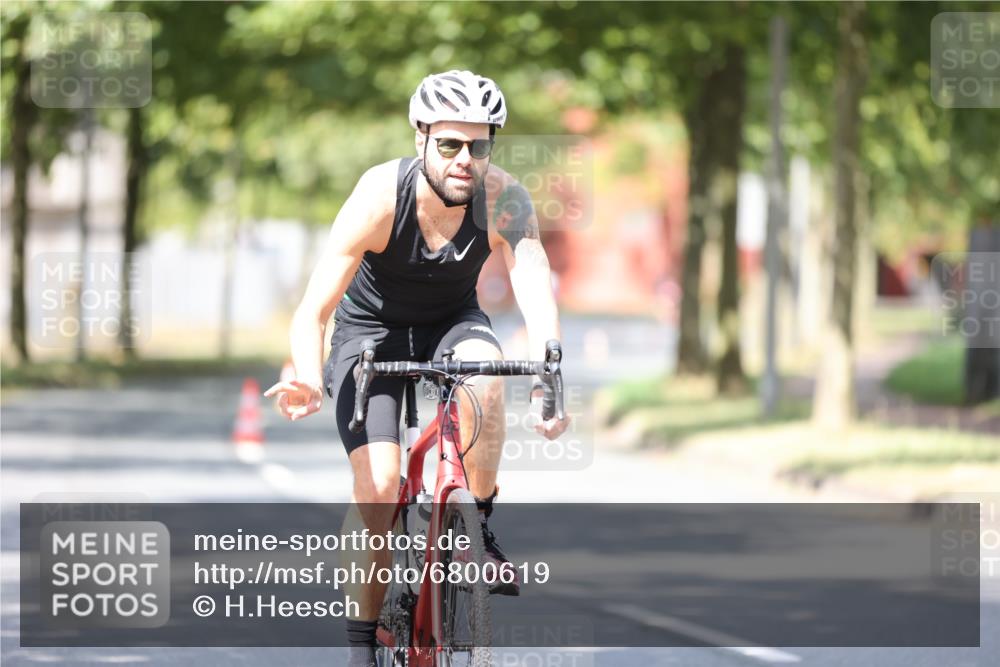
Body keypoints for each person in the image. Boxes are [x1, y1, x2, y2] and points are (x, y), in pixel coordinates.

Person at [264, 69, 570, 667]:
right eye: (450, 144)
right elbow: (313, 311)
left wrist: (549, 370)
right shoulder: (381, 197)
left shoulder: (503, 198)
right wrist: (305, 372)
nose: (464, 159)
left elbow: (532, 275)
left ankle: (475, 524)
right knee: (378, 488)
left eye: (478, 145)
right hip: (369, 337)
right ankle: (361, 646)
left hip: (453, 321)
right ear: (421, 138)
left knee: (487, 371)